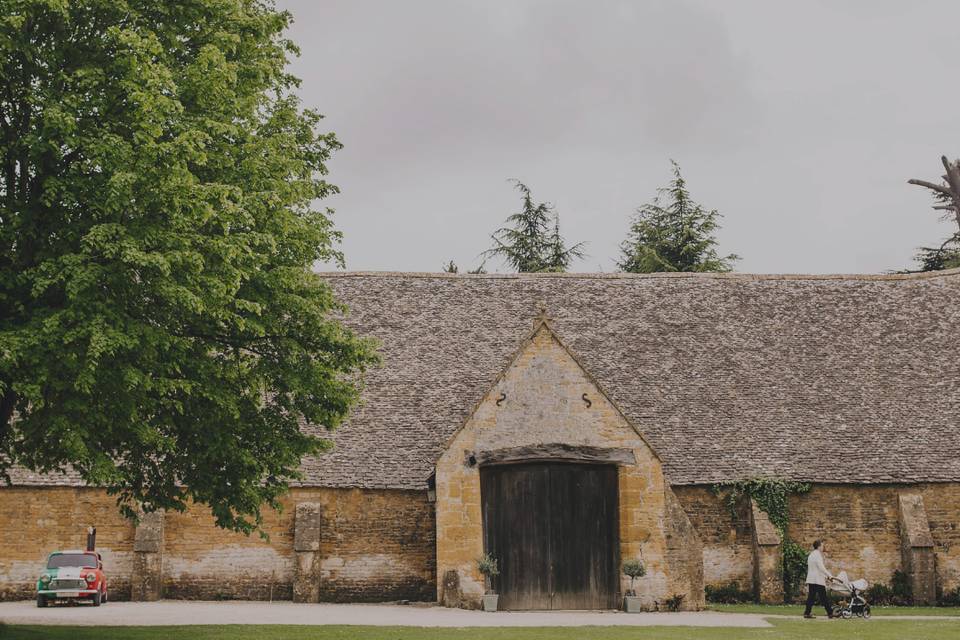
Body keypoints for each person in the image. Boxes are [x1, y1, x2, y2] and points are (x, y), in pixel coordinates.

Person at [803, 540, 834, 619]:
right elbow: (821, 568)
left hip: (812, 578)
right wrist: (829, 575)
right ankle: (830, 613)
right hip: (817, 579)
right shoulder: (817, 555)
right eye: (822, 546)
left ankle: (807, 612)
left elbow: (816, 568)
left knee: (811, 596)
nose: (823, 547)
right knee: (823, 597)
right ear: (819, 546)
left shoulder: (811, 555)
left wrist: (826, 576)